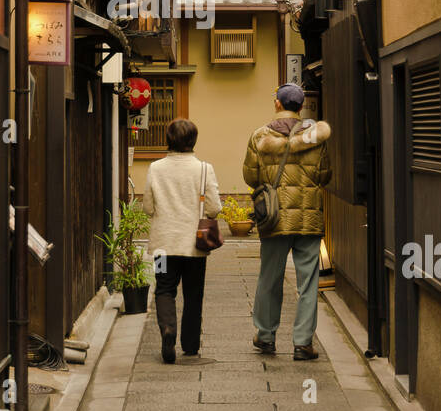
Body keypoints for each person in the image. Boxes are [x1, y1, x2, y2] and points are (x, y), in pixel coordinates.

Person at [243, 83, 332, 360]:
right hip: (308, 218)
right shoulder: (315, 137)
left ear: (278, 104)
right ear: (301, 106)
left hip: (274, 217)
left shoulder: (260, 136)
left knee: (270, 278)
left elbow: (251, 176)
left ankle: (266, 336)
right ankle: (303, 343)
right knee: (308, 282)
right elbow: (325, 175)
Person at [140, 118, 221, 363]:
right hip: (194, 247)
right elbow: (215, 208)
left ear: (169, 140)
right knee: (193, 293)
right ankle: (190, 344)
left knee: (164, 288)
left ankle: (167, 329)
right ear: (193, 141)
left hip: (163, 246)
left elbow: (147, 207)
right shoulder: (204, 168)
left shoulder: (156, 168)